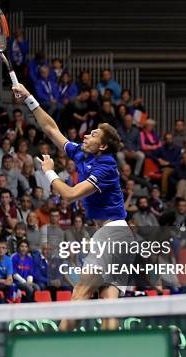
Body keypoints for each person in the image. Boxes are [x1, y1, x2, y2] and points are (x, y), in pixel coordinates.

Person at [12, 82, 134, 331]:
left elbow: (69, 194)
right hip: (119, 236)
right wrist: (29, 98)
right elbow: (51, 128)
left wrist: (49, 173)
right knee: (107, 304)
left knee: (81, 292)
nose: (86, 135)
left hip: (113, 234)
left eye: (93, 135)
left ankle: (57, 350)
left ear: (102, 146)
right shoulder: (83, 155)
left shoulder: (106, 166)